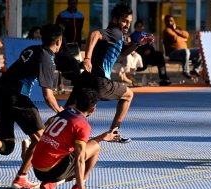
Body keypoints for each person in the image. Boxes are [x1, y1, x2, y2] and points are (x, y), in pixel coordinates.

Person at [0, 24, 64, 189]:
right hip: (17, 97)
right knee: (42, 140)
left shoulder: (32, 49)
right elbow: (48, 95)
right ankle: (24, 177)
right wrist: (61, 112)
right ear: (59, 41)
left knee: (7, 146)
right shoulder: (47, 59)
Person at [65, 4, 153, 143]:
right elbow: (94, 34)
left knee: (67, 113)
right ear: (115, 19)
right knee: (129, 95)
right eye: (124, 20)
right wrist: (87, 58)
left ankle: (43, 137)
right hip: (101, 83)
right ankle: (114, 132)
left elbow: (123, 53)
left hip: (85, 79)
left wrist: (137, 44)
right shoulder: (115, 32)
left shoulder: (118, 36)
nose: (127, 25)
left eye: (129, 22)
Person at [32, 88, 121, 189]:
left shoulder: (64, 112)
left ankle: (51, 184)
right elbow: (80, 159)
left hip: (36, 168)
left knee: (81, 148)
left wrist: (102, 137)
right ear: (93, 109)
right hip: (51, 171)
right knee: (95, 148)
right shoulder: (83, 125)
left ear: (76, 103)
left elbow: (49, 122)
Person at [130, 20, 171, 86]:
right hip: (141, 55)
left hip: (149, 53)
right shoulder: (133, 36)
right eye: (138, 26)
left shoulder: (146, 34)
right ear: (135, 27)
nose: (140, 28)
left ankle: (163, 77)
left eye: (141, 26)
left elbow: (151, 44)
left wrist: (149, 49)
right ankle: (163, 77)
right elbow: (134, 47)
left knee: (160, 56)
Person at [163, 15, 201, 79]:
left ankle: (196, 69)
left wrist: (176, 30)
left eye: (171, 21)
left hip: (186, 52)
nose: (170, 22)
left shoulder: (178, 29)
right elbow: (175, 38)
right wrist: (183, 38)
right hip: (173, 53)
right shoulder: (166, 30)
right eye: (168, 21)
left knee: (201, 50)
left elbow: (187, 35)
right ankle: (185, 71)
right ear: (165, 22)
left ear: (174, 21)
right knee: (185, 51)